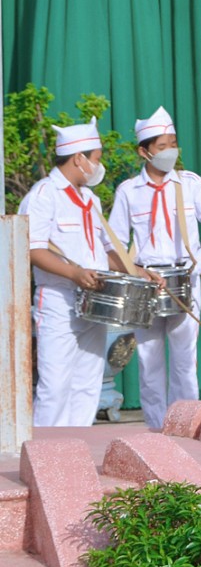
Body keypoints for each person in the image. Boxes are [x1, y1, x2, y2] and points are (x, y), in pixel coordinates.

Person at [108, 107, 201, 428]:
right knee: (149, 362)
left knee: (185, 360)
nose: (170, 151)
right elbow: (114, 243)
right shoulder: (129, 191)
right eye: (162, 146)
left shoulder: (190, 184)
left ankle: (185, 425)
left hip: (185, 276)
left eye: (173, 144)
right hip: (146, 280)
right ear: (144, 152)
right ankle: (156, 427)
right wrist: (133, 271)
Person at [19, 118, 130, 426]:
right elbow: (32, 249)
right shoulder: (43, 195)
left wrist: (139, 271)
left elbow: (107, 252)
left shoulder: (91, 199)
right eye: (96, 158)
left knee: (87, 385)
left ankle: (77, 447)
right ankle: (46, 451)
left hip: (95, 301)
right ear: (79, 158)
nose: (99, 166)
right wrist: (74, 274)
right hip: (59, 301)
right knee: (55, 387)